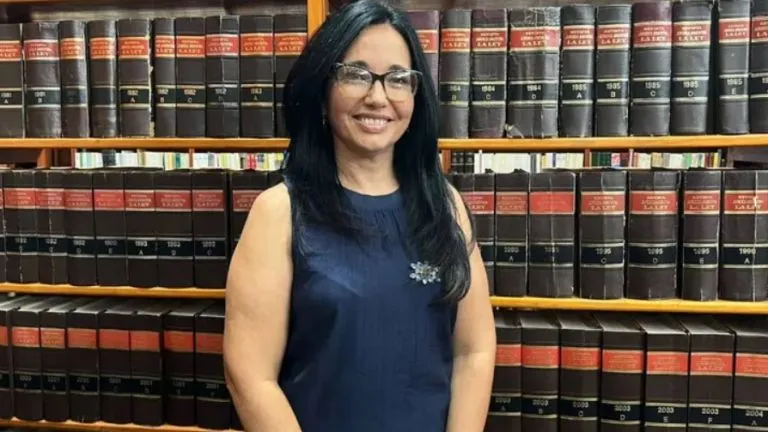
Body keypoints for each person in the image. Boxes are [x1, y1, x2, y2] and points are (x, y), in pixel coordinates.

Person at [223, 1, 496, 431]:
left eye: (398, 79)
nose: (378, 96)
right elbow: (250, 377)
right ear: (323, 89)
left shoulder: (445, 205)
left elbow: (473, 351)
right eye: (356, 74)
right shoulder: (280, 212)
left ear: (416, 95)